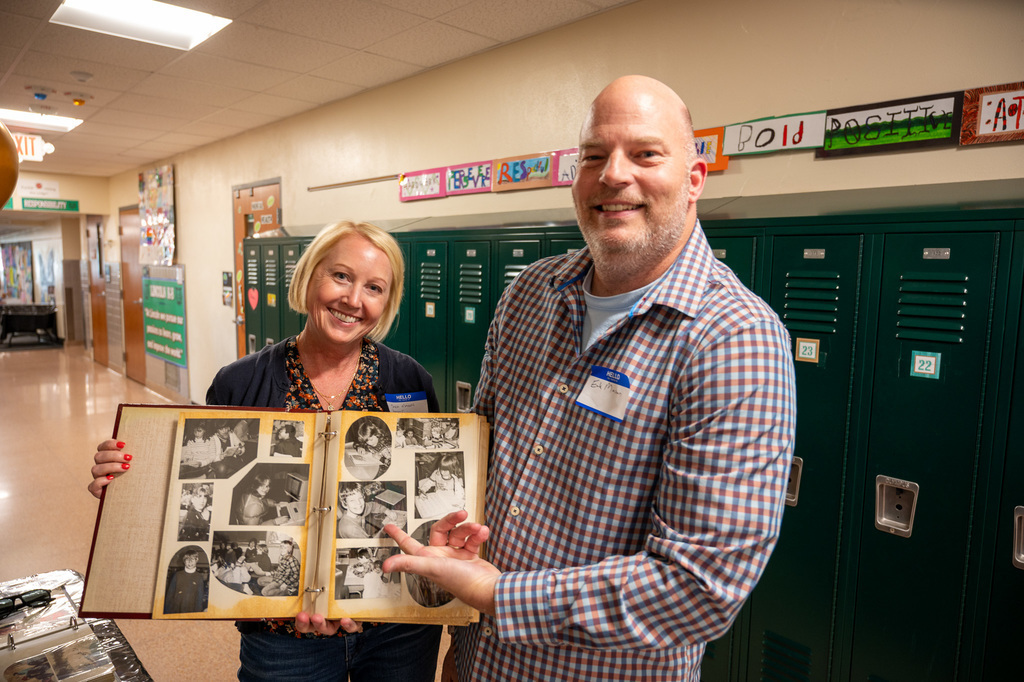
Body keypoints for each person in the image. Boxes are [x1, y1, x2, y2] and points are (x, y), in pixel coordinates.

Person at [383, 76, 797, 680]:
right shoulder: (529, 295)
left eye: (646, 153)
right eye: (594, 156)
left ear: (694, 179)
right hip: (482, 661)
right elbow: (488, 474)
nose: (613, 175)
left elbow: (701, 584)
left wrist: (501, 597)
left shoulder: (733, 338)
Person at [90, 221, 443, 681]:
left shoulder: (409, 381)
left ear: (386, 302)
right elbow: (199, 496)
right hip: (281, 634)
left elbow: (429, 497)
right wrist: (129, 483)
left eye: (373, 287)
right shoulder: (239, 383)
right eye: (340, 276)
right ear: (310, 277)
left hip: (396, 626)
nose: (353, 300)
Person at [164, 549, 207, 614]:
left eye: (192, 560)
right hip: (176, 609)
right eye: (187, 560)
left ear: (196, 560)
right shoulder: (177, 575)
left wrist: (197, 613)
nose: (190, 562)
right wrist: (167, 611)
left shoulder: (199, 577)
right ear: (184, 561)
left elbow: (199, 598)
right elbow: (170, 595)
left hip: (191, 610)